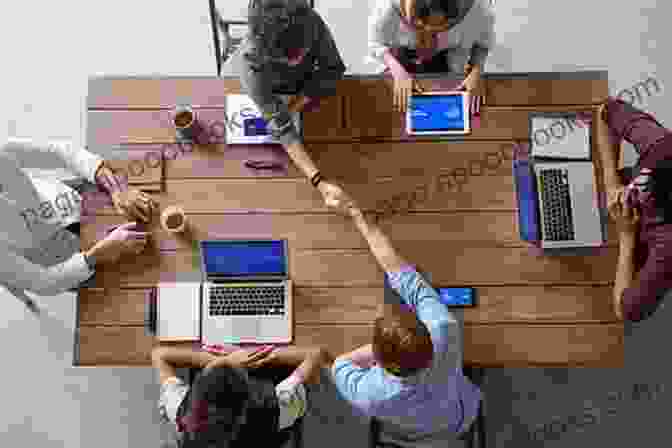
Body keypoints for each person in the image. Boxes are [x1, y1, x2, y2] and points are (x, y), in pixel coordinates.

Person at [319, 184, 483, 442]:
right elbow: (405, 277)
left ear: (379, 362)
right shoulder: (444, 329)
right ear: (428, 337)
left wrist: (354, 211)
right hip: (459, 418)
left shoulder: (369, 393)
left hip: (407, 436)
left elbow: (339, 363)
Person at [0, 137, 156, 312]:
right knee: (131, 293)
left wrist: (116, 189)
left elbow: (61, 152)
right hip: (68, 260)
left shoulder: (4, 151)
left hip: (70, 200)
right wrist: (99, 253)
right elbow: (43, 282)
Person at [221, 0, 347, 205]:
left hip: (300, 89)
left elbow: (333, 69)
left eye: (302, 52)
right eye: (288, 58)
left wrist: (297, 103)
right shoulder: (250, 62)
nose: (297, 60)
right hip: (261, 90)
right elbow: (282, 127)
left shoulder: (310, 20)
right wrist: (319, 182)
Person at [152, 343, 332, 447]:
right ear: (249, 395)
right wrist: (253, 357)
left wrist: (225, 362)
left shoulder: (179, 410)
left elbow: (159, 354)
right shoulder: (278, 408)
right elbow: (316, 354)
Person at [595, 97, 672, 322]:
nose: (634, 184)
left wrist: (626, 236)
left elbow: (625, 310)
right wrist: (611, 182)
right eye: (645, 176)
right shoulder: (662, 146)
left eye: (645, 191)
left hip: (627, 253)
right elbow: (605, 110)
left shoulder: (668, 246)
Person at [367, 0, 495, 111]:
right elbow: (375, 43)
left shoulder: (478, 7)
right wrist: (398, 71)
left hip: (450, 56)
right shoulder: (386, 9)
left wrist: (476, 70)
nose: (430, 33)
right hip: (399, 53)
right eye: (423, 26)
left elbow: (483, 41)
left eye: (438, 28)